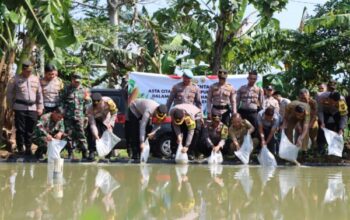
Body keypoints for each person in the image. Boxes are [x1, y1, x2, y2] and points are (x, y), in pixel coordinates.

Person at [7, 60, 44, 155]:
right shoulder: (14, 79)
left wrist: (40, 107)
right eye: (27, 71)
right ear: (23, 70)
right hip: (20, 107)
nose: (29, 72)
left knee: (30, 129)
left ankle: (28, 148)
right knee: (20, 129)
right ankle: (20, 148)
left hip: (32, 108)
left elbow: (39, 94)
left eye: (30, 71)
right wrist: (10, 107)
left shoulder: (36, 79)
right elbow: (9, 94)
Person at [59, 73, 91, 159]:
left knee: (81, 134)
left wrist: (86, 115)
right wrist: (62, 112)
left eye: (78, 81)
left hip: (80, 116)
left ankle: (85, 152)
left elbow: (88, 104)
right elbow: (60, 101)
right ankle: (70, 152)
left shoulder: (84, 90)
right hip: (68, 116)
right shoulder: (66, 89)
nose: (77, 83)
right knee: (68, 135)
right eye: (75, 81)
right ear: (72, 80)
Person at [86, 93, 118, 160]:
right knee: (92, 134)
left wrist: (111, 124)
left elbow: (114, 113)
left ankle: (108, 154)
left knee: (108, 134)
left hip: (106, 118)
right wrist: (96, 135)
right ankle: (91, 152)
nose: (98, 106)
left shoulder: (108, 102)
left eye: (99, 104)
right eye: (96, 105)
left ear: (101, 101)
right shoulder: (89, 109)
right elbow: (92, 124)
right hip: (96, 119)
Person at [236, 70, 264, 137]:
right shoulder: (241, 88)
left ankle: (253, 146)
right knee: (242, 129)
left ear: (256, 79)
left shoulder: (259, 89)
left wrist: (261, 113)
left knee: (254, 130)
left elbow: (262, 103)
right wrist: (235, 112)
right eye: (251, 78)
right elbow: (237, 101)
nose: (252, 80)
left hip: (253, 113)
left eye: (254, 79)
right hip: (243, 112)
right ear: (248, 78)